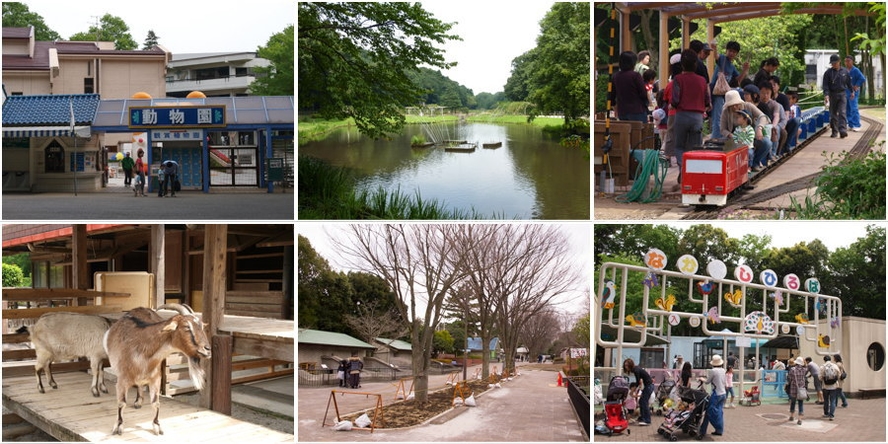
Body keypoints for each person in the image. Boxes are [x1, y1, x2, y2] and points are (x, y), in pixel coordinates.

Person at [671, 49, 711, 185]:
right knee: (695, 148)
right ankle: (693, 177)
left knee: (679, 146)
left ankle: (683, 168)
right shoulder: (702, 80)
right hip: (697, 117)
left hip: (681, 115)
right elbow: (707, 101)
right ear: (695, 64)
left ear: (682, 65)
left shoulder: (678, 79)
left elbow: (675, 100)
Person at [709, 41, 749, 140]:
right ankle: (716, 138)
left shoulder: (732, 67)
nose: (732, 53)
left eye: (734, 52)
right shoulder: (722, 59)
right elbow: (716, 57)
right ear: (726, 51)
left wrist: (744, 70)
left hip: (723, 95)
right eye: (730, 51)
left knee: (720, 117)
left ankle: (718, 138)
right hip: (716, 94)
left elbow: (738, 80)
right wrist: (714, 48)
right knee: (718, 117)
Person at [720, 89, 769, 170]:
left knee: (766, 143)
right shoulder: (725, 112)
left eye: (736, 104)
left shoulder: (748, 106)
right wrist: (730, 135)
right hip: (734, 138)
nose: (735, 107)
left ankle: (754, 163)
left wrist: (759, 128)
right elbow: (722, 129)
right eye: (732, 105)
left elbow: (763, 117)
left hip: (749, 137)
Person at [612, 51, 649, 123]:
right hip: (637, 110)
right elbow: (643, 93)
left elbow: (611, 95)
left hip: (622, 111)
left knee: (625, 133)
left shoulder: (615, 76)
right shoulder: (636, 76)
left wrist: (615, 109)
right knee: (639, 133)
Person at [822, 54, 851, 138]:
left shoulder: (845, 71)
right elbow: (825, 85)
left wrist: (852, 91)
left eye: (835, 63)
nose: (833, 65)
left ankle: (842, 130)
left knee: (842, 112)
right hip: (832, 94)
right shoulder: (828, 73)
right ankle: (834, 131)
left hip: (842, 94)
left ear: (839, 62)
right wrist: (826, 95)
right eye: (832, 63)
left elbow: (848, 83)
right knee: (833, 114)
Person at [698, 354, 726, 437]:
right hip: (723, 393)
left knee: (709, 412)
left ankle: (703, 431)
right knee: (719, 412)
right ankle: (719, 430)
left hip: (716, 394)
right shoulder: (723, 370)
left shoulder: (713, 371)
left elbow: (707, 381)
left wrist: (701, 379)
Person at [623, 358, 654, 426]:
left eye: (627, 365)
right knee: (641, 402)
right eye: (625, 365)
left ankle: (647, 420)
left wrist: (632, 391)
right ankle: (642, 418)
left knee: (644, 402)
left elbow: (637, 382)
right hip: (648, 386)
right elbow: (639, 381)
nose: (626, 367)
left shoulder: (636, 370)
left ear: (630, 365)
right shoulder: (636, 369)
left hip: (649, 386)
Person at [844, 55, 866, 131]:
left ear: (852, 61)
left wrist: (857, 85)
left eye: (848, 61)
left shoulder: (855, 70)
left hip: (853, 92)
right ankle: (850, 124)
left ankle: (857, 125)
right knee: (847, 108)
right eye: (845, 61)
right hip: (846, 92)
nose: (847, 63)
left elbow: (862, 78)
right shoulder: (844, 70)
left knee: (854, 108)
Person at [787, 357, 807, 425]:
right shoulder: (804, 369)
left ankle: (792, 416)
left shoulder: (793, 369)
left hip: (793, 388)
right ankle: (800, 419)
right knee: (800, 403)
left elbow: (789, 378)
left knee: (793, 402)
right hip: (801, 388)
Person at [821, 356, 840, 420]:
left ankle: (826, 413)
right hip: (834, 386)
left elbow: (819, 377)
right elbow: (839, 374)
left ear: (824, 360)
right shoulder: (834, 366)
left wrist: (824, 379)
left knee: (826, 400)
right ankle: (831, 415)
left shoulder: (822, 367)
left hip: (825, 386)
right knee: (833, 401)